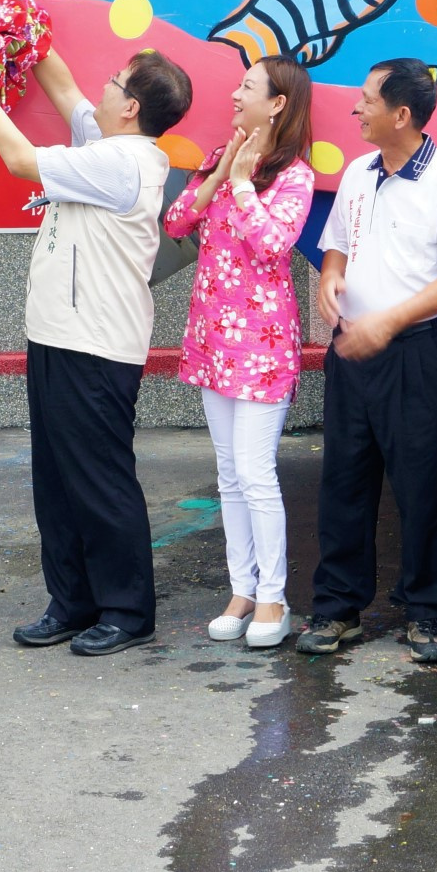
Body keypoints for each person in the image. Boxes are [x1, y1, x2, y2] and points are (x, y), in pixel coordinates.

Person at [0, 46, 192, 657]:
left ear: (132, 107)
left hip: (96, 343)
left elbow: (17, 159)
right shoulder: (106, 142)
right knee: (57, 480)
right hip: (57, 334)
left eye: (114, 83)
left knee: (99, 480)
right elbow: (63, 88)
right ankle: (72, 602)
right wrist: (24, 26)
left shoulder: (124, 160)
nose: (103, 89)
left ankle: (126, 609)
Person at [293, 59, 437, 662]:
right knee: (343, 482)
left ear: (400, 114)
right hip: (352, 350)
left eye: (366, 100)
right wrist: (330, 280)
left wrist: (389, 321)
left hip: (416, 353)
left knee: (420, 487)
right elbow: (337, 245)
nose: (356, 109)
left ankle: (427, 613)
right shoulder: (358, 171)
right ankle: (337, 609)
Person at [161, 55, 316, 651]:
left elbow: (274, 246)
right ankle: (241, 591)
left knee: (256, 474)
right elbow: (176, 224)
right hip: (210, 341)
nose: (234, 94)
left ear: (277, 103)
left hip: (262, 344)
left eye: (247, 87)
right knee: (228, 476)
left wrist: (247, 185)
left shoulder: (295, 177)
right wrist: (221, 169)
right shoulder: (215, 160)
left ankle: (273, 597)